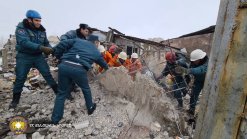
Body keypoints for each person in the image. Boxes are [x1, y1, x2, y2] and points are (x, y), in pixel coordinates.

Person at [51, 35, 108, 124]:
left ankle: (55, 119)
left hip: (64, 66)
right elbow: (104, 65)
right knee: (85, 88)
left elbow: (62, 44)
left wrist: (58, 56)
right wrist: (109, 69)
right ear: (96, 42)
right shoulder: (96, 52)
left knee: (61, 93)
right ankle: (90, 108)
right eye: (98, 43)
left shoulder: (77, 40)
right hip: (79, 69)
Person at [9, 10, 57, 109]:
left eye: (40, 20)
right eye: (36, 20)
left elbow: (46, 43)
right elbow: (24, 42)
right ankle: (15, 101)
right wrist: (42, 48)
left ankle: (58, 93)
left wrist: (50, 49)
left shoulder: (42, 30)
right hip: (24, 56)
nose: (39, 23)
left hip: (38, 56)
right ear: (29, 20)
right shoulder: (21, 29)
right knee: (20, 78)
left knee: (47, 74)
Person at [59, 23, 91, 100]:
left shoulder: (84, 39)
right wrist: (70, 44)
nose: (87, 33)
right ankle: (66, 93)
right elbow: (63, 37)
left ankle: (72, 87)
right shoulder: (72, 33)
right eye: (86, 31)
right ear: (81, 29)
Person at [175, 49, 208, 115]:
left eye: (195, 61)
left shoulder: (207, 63)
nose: (193, 62)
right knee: (194, 94)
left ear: (200, 59)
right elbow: (189, 71)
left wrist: (187, 71)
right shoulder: (193, 62)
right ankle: (191, 110)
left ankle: (204, 113)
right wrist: (186, 84)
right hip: (198, 80)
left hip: (207, 81)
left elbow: (200, 70)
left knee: (207, 97)